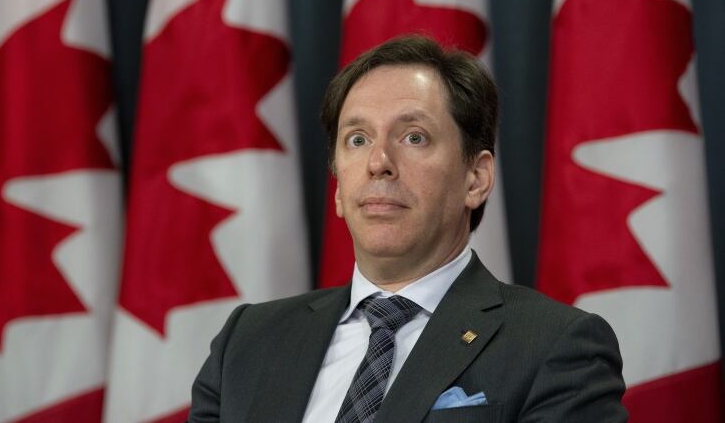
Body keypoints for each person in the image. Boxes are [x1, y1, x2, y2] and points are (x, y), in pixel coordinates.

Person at [187, 35, 627, 422]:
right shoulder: (247, 342)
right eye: (357, 140)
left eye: (413, 137)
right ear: (339, 187)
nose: (379, 162)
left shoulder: (556, 346)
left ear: (476, 178)